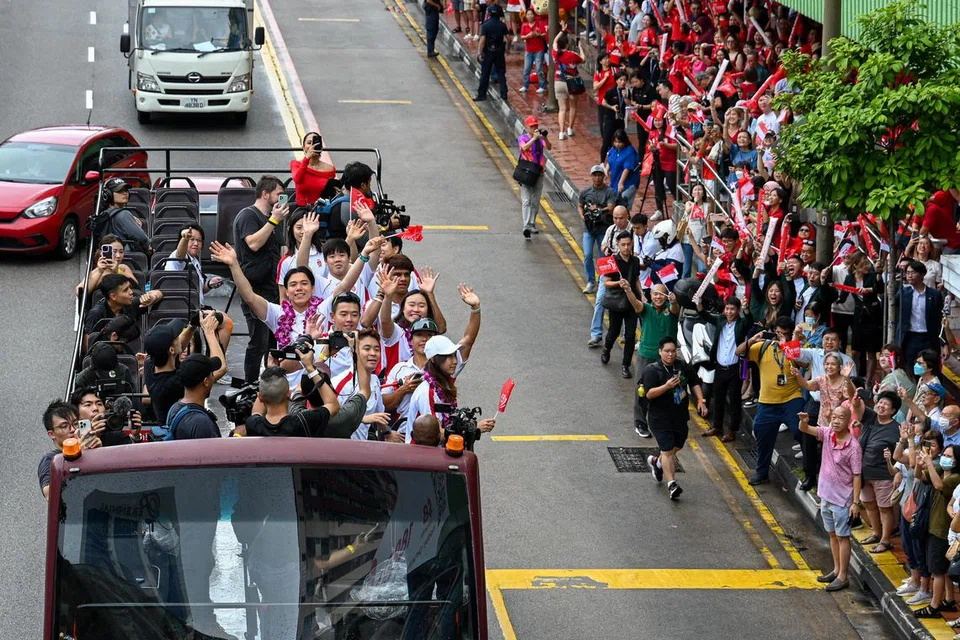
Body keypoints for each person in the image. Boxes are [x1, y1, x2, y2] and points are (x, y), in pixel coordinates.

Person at [210, 238, 381, 389]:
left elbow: (345, 285)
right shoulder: (277, 313)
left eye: (304, 284)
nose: (299, 288)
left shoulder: (323, 308)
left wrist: (364, 254)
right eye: (293, 285)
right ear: (286, 291)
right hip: (286, 386)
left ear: (313, 289)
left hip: (318, 386)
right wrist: (234, 265)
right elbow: (249, 296)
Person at [404, 298, 490, 443]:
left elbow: (468, 339)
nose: (454, 361)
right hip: (421, 454)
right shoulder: (427, 392)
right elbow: (435, 434)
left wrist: (475, 308)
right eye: (448, 356)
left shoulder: (443, 380)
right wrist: (473, 429)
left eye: (454, 355)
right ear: (434, 359)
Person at [798, 406, 861, 592]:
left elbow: (857, 475)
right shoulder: (827, 433)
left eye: (841, 418)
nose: (836, 421)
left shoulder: (854, 447)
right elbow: (805, 429)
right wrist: (803, 421)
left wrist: (855, 502)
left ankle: (843, 576)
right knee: (832, 534)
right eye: (834, 417)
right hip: (826, 495)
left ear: (848, 421)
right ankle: (836, 570)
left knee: (842, 537)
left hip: (842, 499)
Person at [233, 175, 289, 384]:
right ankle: (249, 385)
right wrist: (273, 220)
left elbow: (282, 249)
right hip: (254, 287)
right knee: (258, 340)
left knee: (275, 340)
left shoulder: (274, 220)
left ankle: (272, 382)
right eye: (278, 194)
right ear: (265, 194)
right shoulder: (248, 215)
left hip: (272, 287)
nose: (281, 199)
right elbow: (253, 244)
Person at [741, 316, 805, 485]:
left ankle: (810, 468)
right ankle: (762, 473)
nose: (780, 336)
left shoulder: (795, 347)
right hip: (767, 402)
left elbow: (804, 363)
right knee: (761, 432)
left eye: (785, 334)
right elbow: (739, 352)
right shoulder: (763, 347)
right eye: (778, 333)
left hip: (791, 398)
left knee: (800, 430)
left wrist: (787, 344)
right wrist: (752, 340)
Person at [643, 336, 708, 500]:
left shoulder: (682, 366)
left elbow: (694, 382)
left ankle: (657, 463)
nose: (670, 354)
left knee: (677, 446)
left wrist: (701, 401)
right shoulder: (652, 370)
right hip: (660, 418)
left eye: (673, 351)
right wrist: (666, 386)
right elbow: (649, 394)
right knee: (667, 450)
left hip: (679, 416)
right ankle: (672, 484)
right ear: (660, 352)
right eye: (667, 351)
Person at [143, 313, 226, 425]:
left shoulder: (149, 365)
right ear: (171, 350)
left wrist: (192, 326)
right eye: (176, 337)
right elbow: (221, 367)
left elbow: (178, 345)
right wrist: (209, 332)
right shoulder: (176, 382)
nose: (179, 337)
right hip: (187, 427)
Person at [913, 441, 960, 618]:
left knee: (937, 571)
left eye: (949, 456)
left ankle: (934, 606)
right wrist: (920, 463)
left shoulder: (955, 478)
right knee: (945, 569)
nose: (945, 458)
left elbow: (939, 486)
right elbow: (919, 476)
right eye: (944, 455)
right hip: (935, 525)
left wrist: (930, 463)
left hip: (942, 530)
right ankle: (948, 599)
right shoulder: (940, 470)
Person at [855, 391, 903, 554]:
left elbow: (899, 454)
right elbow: (856, 405)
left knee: (885, 508)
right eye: (880, 402)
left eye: (886, 404)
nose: (881, 406)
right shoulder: (871, 417)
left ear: (893, 410)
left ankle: (886, 540)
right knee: (868, 504)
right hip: (864, 473)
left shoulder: (896, 429)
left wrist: (897, 472)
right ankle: (876, 533)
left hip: (883, 475)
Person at [702, 296, 752, 442]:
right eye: (727, 308)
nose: (729, 312)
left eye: (732, 309)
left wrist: (746, 309)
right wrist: (698, 303)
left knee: (735, 401)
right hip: (719, 367)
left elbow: (749, 321)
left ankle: (732, 431)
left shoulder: (741, 324)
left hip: (734, 369)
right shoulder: (720, 320)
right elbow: (705, 316)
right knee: (718, 398)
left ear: (738, 310)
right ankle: (717, 426)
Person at [601, 231, 643, 378]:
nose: (626, 247)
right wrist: (619, 283)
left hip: (632, 302)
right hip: (617, 302)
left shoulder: (635, 261)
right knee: (614, 331)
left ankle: (626, 365)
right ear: (618, 245)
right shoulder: (612, 261)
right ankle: (607, 348)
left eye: (628, 244)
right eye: (623, 245)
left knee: (631, 335)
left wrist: (642, 294)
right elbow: (606, 283)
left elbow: (636, 279)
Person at [39, 400, 102, 499]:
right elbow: (49, 494)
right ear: (51, 434)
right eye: (64, 426)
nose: (72, 429)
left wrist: (101, 453)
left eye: (75, 423)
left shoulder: (90, 448)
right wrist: (77, 456)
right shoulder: (51, 459)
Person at [383, 318, 439, 428]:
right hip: (404, 430)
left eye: (429, 335)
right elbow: (383, 404)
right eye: (419, 335)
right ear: (411, 340)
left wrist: (474, 311)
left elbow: (468, 341)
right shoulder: (399, 368)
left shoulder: (443, 367)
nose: (424, 339)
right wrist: (404, 389)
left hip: (437, 430)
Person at [896, 260, 945, 375]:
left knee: (930, 369)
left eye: (913, 272)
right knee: (910, 369)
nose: (909, 275)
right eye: (907, 273)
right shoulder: (903, 292)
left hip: (928, 338)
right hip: (910, 337)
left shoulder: (934, 295)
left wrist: (944, 343)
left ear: (922, 274)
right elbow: (889, 305)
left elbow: (939, 320)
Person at [82, 273, 163, 340]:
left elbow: (159, 293)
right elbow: (87, 344)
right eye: (125, 290)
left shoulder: (131, 303)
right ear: (113, 296)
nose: (131, 292)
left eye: (130, 288)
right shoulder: (96, 314)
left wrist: (153, 297)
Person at [166, 224, 228, 308]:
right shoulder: (179, 256)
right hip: (182, 309)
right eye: (191, 239)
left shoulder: (195, 261)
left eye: (199, 240)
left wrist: (209, 284)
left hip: (197, 307)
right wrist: (184, 238)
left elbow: (200, 291)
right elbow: (179, 255)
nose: (196, 243)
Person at [578, 165, 618, 294]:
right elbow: (580, 205)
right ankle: (591, 281)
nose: (597, 178)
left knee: (603, 257)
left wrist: (599, 210)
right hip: (589, 228)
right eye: (595, 175)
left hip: (603, 228)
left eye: (600, 175)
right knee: (587, 255)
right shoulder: (585, 192)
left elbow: (611, 207)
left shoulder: (609, 192)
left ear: (604, 177)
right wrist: (583, 216)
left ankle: (602, 281)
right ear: (591, 176)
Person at [94, 178, 151, 255]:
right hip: (125, 256)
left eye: (126, 190)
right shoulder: (123, 214)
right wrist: (149, 249)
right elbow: (142, 238)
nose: (125, 193)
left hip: (110, 255)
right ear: (108, 195)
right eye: (119, 191)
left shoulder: (104, 214)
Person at [517, 116, 551, 238]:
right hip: (526, 172)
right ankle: (526, 225)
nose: (534, 128)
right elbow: (524, 148)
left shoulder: (539, 139)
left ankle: (532, 223)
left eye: (535, 126)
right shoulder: (523, 138)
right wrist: (534, 139)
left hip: (538, 172)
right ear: (527, 127)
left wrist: (545, 137)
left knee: (535, 201)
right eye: (531, 126)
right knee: (526, 200)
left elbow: (549, 147)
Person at [552, 31, 586, 140]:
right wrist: (580, 47)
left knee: (562, 109)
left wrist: (561, 31)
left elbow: (554, 41)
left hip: (558, 82)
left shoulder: (555, 53)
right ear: (567, 44)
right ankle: (570, 128)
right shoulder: (572, 55)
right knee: (573, 106)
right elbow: (583, 59)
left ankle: (561, 132)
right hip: (572, 84)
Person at [291, 132, 337, 206]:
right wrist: (306, 158)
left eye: (315, 143)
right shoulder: (296, 164)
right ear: (303, 147)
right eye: (309, 143)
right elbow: (297, 179)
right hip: (301, 209)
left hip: (322, 208)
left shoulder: (330, 169)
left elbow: (329, 192)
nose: (312, 146)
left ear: (321, 148)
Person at [475, 4, 509, 101]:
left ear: (489, 14)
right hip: (499, 52)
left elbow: (482, 40)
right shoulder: (502, 25)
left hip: (488, 52)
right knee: (501, 73)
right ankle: (504, 94)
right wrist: (508, 48)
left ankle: (481, 95)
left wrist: (479, 53)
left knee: (485, 74)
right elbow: (509, 38)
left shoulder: (485, 25)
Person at [607, 129, 640, 212]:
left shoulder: (630, 152)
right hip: (615, 181)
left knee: (623, 206)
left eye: (619, 142)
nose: (617, 144)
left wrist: (621, 183)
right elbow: (610, 159)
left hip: (628, 183)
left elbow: (627, 169)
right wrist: (606, 169)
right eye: (615, 142)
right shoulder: (614, 149)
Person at [519, 8, 547, 94]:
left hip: (539, 49)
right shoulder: (524, 25)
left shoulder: (539, 24)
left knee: (539, 69)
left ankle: (542, 86)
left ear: (534, 15)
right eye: (528, 14)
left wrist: (538, 35)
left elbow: (544, 34)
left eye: (531, 14)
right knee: (526, 69)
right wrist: (528, 36)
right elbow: (522, 36)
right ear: (526, 16)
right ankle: (525, 85)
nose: (530, 16)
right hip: (529, 50)